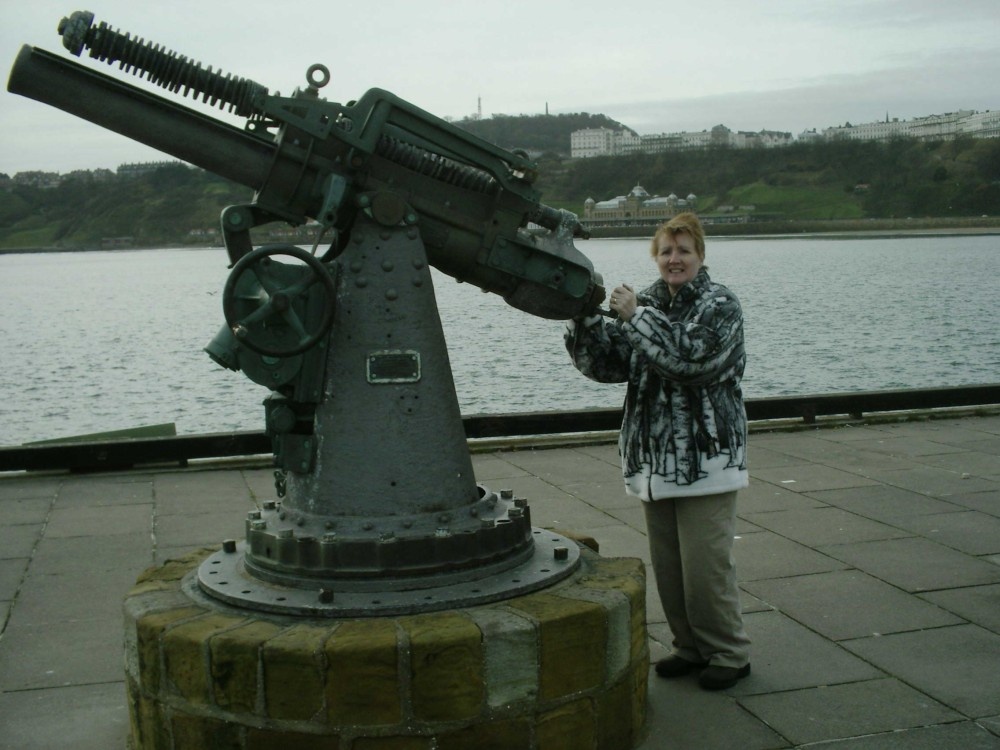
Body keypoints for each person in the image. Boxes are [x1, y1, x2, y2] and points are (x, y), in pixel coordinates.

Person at [565, 212, 751, 690]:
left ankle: (729, 653)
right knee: (669, 568)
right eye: (666, 251)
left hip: (707, 459)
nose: (674, 259)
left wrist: (636, 317)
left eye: (683, 250)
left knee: (705, 569)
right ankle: (690, 647)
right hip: (654, 461)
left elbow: (691, 360)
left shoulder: (720, 304)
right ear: (656, 256)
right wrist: (584, 315)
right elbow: (607, 365)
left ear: (700, 255)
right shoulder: (645, 302)